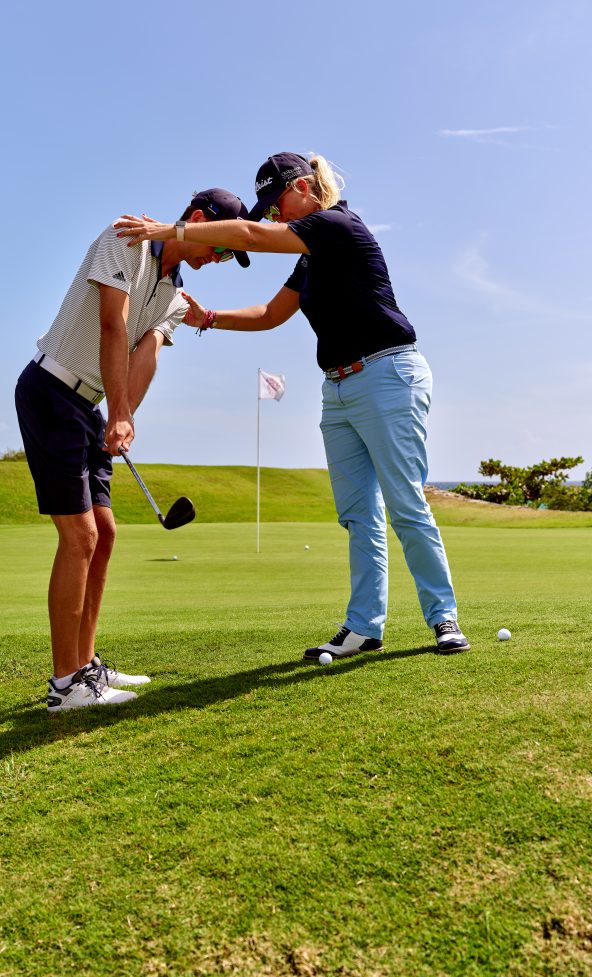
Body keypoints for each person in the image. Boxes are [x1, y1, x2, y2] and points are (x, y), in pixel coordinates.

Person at [115, 153, 470, 658]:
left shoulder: (336, 225)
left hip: (389, 375)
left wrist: (170, 231)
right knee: (358, 515)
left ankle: (444, 618)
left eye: (277, 202)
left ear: (304, 186)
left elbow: (254, 237)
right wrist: (209, 317)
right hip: (339, 389)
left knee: (405, 504)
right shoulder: (310, 254)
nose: (275, 214)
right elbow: (271, 314)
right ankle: (365, 626)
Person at [16, 188, 251, 712]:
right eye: (219, 246)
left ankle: (86, 664)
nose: (219, 258)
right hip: (51, 389)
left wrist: (125, 417)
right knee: (80, 535)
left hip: (92, 406)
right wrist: (117, 410)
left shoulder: (174, 295)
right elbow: (111, 325)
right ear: (196, 220)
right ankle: (64, 685)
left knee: (105, 535)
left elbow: (145, 354)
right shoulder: (125, 238)